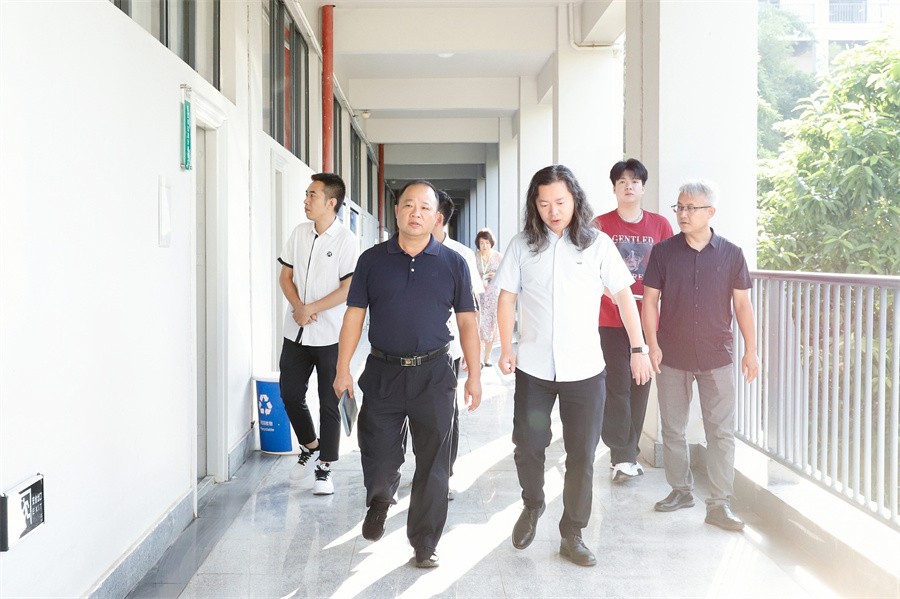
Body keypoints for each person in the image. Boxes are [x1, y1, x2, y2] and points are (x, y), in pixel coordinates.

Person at [496, 165, 652, 567]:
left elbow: (624, 295)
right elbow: (507, 297)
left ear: (575, 201)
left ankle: (573, 533)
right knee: (528, 444)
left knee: (582, 454)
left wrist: (639, 348)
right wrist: (506, 346)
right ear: (534, 205)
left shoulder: (597, 244)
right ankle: (533, 503)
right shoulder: (522, 245)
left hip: (584, 370)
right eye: (544, 203)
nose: (553, 211)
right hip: (534, 368)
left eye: (561, 202)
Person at [333, 180, 482, 569]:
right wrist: (342, 368)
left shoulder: (453, 263)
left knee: (433, 460)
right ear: (396, 211)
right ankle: (381, 497)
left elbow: (468, 321)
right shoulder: (372, 260)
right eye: (408, 205)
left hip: (434, 373)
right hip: (383, 370)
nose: (416, 213)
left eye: (424, 207)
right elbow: (354, 316)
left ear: (437, 217)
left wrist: (474, 375)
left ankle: (425, 541)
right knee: (378, 450)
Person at [642, 179, 758, 532]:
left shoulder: (732, 254)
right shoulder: (663, 252)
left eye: (690, 208)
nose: (682, 213)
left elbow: (743, 305)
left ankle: (720, 504)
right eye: (679, 207)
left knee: (720, 432)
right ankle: (681, 490)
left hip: (716, 355)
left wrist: (752, 351)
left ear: (711, 212)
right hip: (672, 355)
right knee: (673, 428)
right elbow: (649, 302)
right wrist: (652, 345)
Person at [277, 173, 359, 495]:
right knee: (289, 393)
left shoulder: (346, 241)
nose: (306, 200)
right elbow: (285, 277)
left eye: (312, 195)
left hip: (330, 334)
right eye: (307, 194)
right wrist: (299, 307)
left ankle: (325, 467)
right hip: (296, 331)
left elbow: (348, 288)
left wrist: (311, 307)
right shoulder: (299, 233)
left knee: (329, 401)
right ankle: (310, 445)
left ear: (331, 202)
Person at [594, 159, 674, 482]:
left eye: (634, 182)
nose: (628, 186)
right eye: (622, 182)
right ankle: (622, 455)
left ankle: (627, 452)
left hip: (648, 320)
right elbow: (592, 269)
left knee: (641, 383)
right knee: (618, 384)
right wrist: (613, 294)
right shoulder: (599, 225)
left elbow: (669, 269)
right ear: (614, 188)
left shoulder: (660, 225)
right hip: (610, 319)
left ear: (643, 188)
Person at [432, 191, 484, 500]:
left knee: (446, 414)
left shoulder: (461, 255)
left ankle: (443, 474)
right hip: (408, 348)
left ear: (438, 216)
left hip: (448, 349)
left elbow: (472, 311)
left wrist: (470, 352)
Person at [474, 228, 502, 367]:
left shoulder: (498, 257)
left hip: (493, 296)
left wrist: (495, 275)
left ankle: (487, 358)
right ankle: (478, 358)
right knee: (479, 326)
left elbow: (505, 275)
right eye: (481, 243)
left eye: (487, 243)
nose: (484, 246)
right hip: (478, 296)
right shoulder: (474, 257)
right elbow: (469, 275)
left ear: (491, 243)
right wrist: (480, 276)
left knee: (491, 326)